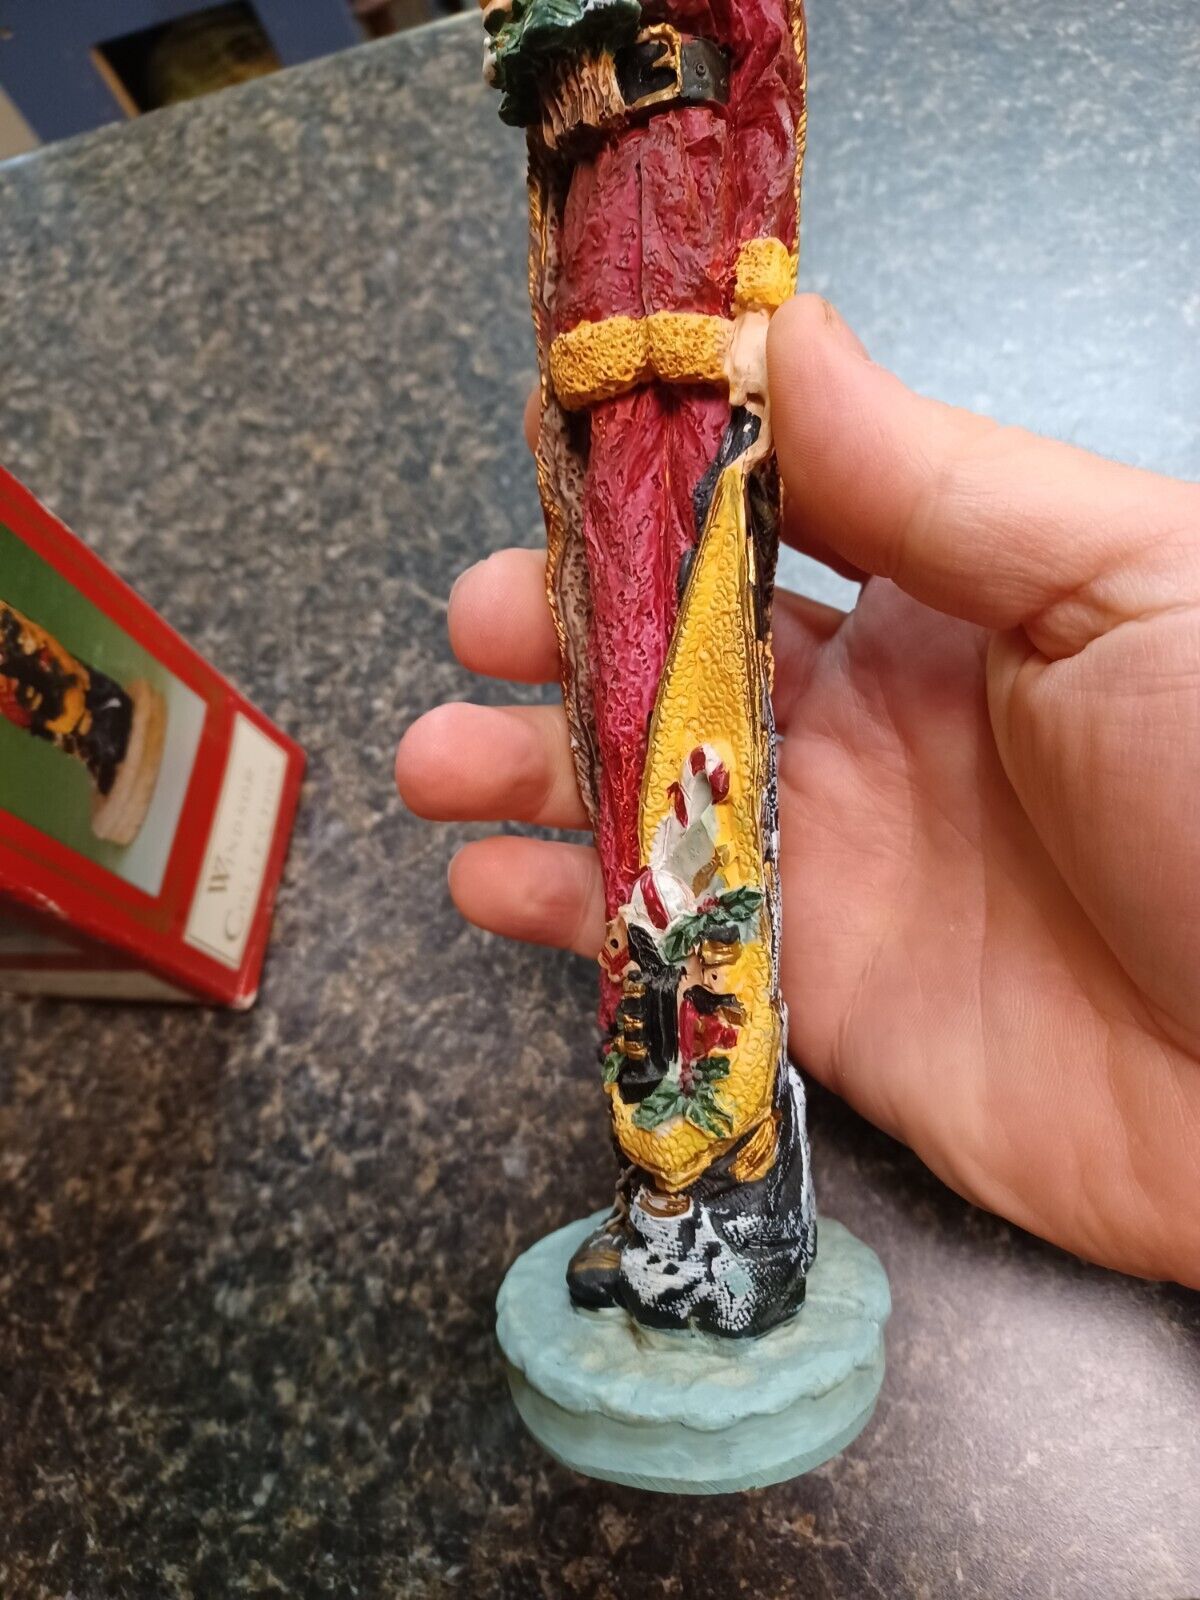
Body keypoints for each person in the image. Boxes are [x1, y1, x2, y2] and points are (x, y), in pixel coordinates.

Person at [396, 293, 1200, 1289]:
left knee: (693, 967)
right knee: (659, 957)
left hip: (710, 860)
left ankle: (724, 1221)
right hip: (684, 858)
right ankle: (674, 1208)